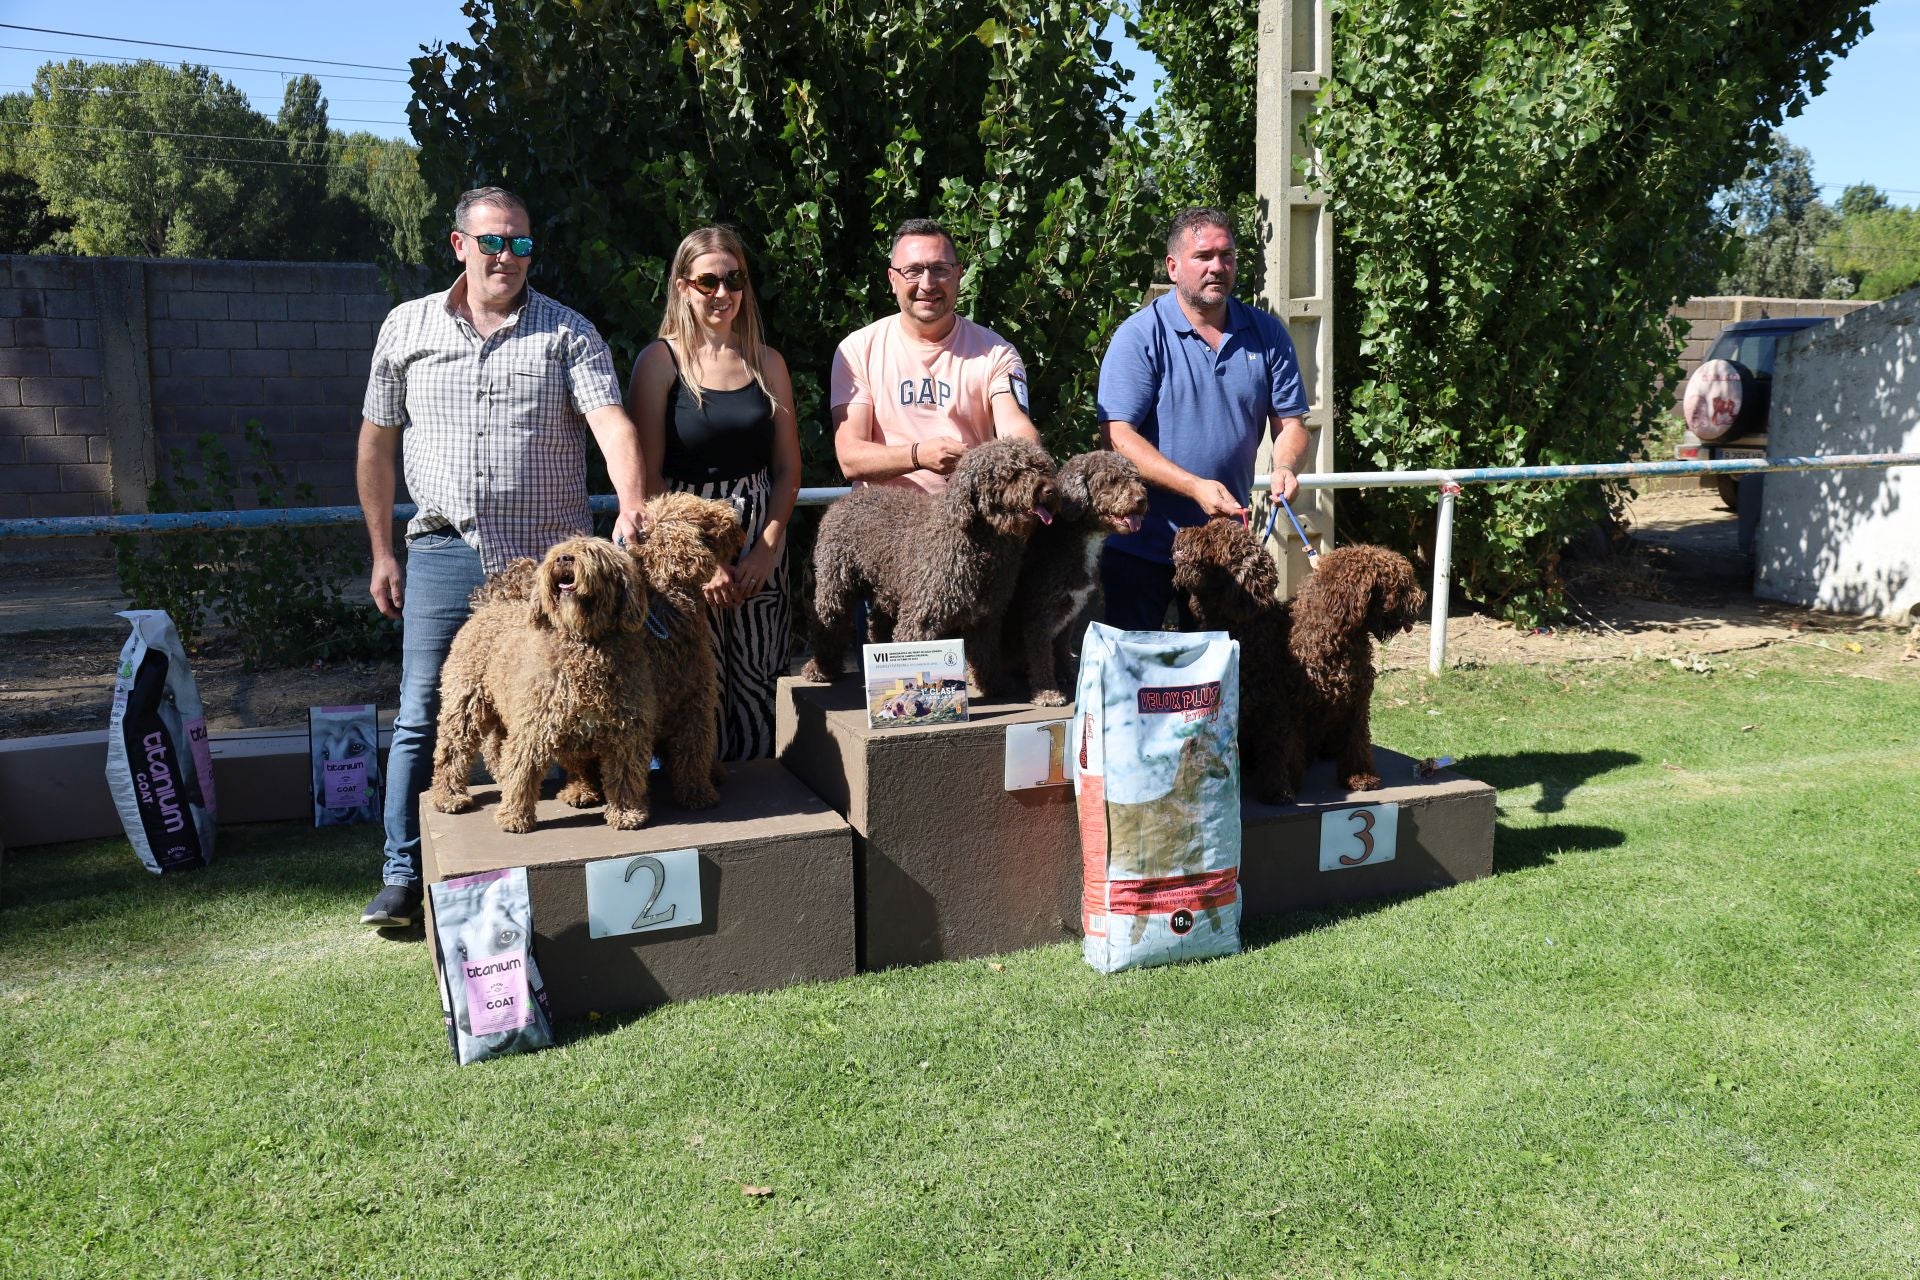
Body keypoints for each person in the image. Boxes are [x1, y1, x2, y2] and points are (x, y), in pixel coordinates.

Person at [355, 186, 648, 928]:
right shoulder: (406, 327)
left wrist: (632, 506)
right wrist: (382, 551)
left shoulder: (567, 333)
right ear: (459, 244)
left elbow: (613, 427)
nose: (507, 256)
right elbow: (376, 444)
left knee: (574, 707)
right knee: (428, 707)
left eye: (520, 244)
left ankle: (542, 879)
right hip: (443, 551)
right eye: (492, 242)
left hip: (547, 568)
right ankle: (399, 872)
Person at [624, 225, 801, 762]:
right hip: (681, 544)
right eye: (708, 281)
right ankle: (697, 817)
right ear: (683, 286)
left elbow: (789, 470)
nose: (722, 293)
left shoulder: (768, 363)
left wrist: (766, 551)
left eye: (734, 279)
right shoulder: (659, 363)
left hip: (760, 548)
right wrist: (703, 563)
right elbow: (647, 476)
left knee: (758, 685)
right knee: (687, 688)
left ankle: (764, 815)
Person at [1096, 207, 1313, 630]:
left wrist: (1286, 466)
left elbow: (1290, 424)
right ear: (1174, 267)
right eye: (1204, 257)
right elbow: (1117, 436)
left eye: (1227, 255)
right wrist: (1193, 486)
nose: (1218, 267)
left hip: (1223, 548)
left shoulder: (1267, 334)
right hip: (1143, 545)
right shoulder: (1140, 336)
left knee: (1217, 685)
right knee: (1134, 683)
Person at [829, 217, 1041, 493]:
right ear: (893, 279)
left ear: (958, 275)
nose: (927, 284)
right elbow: (850, 458)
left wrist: (1021, 454)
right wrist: (918, 456)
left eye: (940, 269)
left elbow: (1017, 429)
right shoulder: (857, 350)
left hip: (968, 518)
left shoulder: (997, 353)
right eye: (913, 271)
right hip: (883, 525)